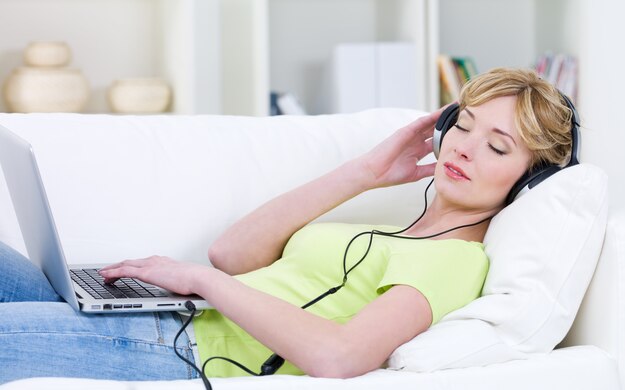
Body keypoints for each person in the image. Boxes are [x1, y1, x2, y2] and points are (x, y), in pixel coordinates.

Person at [0, 68, 574, 383]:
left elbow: (339, 356)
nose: (466, 148)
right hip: (158, 312)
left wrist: (198, 282)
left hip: (176, 344)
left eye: (497, 147)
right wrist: (365, 172)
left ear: (529, 180)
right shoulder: (394, 230)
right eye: (464, 125)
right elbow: (232, 252)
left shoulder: (456, 262)